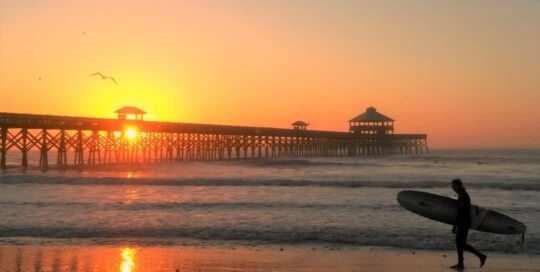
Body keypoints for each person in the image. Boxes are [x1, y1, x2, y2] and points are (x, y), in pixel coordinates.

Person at [451, 178, 487, 270]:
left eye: (453, 185)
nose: (452, 187)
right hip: (463, 222)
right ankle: (460, 263)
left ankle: (481, 256)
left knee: (461, 243)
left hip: (464, 222)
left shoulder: (463, 195)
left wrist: (455, 226)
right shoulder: (462, 195)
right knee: (460, 243)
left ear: (458, 185)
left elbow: (461, 212)